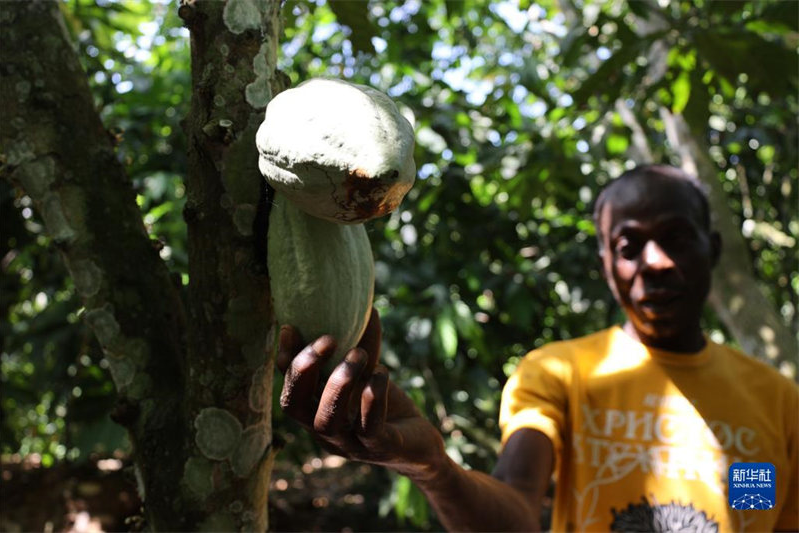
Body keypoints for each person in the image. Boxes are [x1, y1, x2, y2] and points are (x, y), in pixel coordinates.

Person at [277, 165, 798, 532]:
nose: (655, 262)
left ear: (715, 248)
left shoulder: (775, 402)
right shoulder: (560, 372)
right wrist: (434, 468)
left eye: (677, 238)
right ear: (606, 268)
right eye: (629, 246)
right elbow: (519, 511)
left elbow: (755, 516)